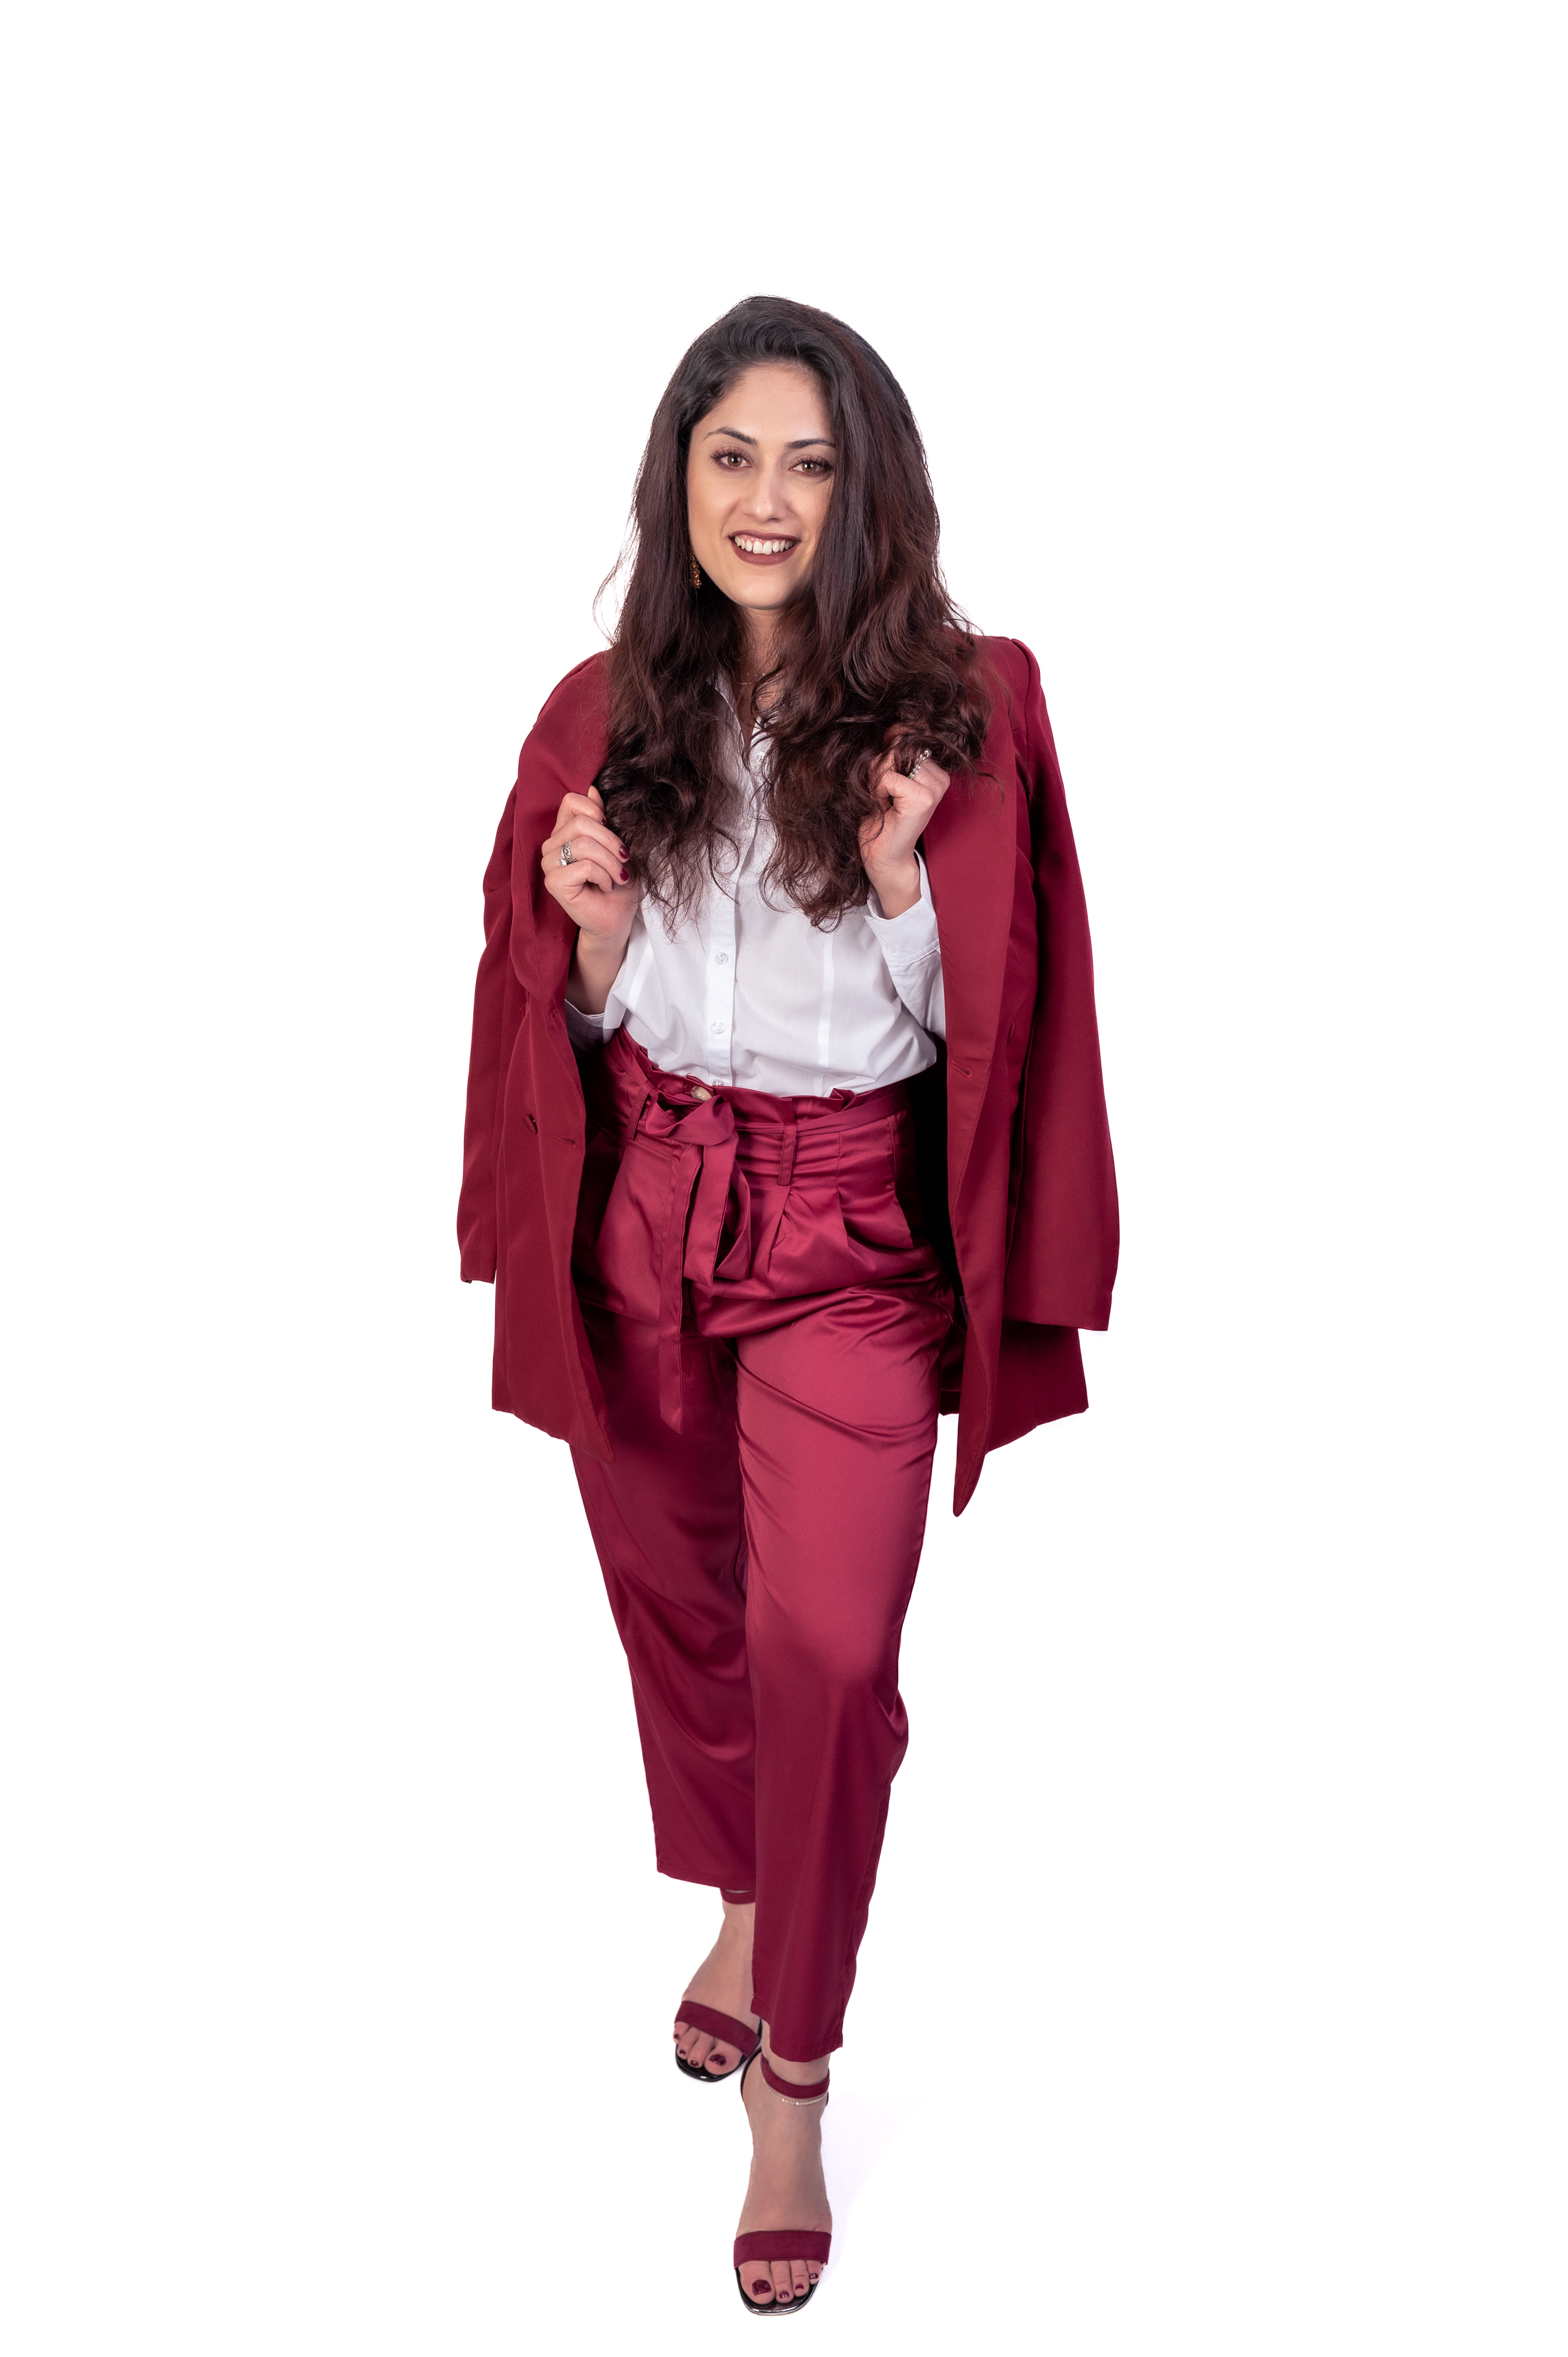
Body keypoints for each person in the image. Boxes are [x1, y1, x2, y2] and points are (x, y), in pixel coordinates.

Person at [458, 294, 1118, 2314]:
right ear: (678, 479)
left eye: (812, 465)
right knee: (683, 1607)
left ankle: (798, 2078)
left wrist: (910, 879)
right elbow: (550, 1014)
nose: (768, 500)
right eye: (734, 456)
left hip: (845, 1229)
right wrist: (583, 942)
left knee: (827, 1643)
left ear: (869, 497)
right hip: (649, 1201)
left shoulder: (964, 705)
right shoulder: (599, 713)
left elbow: (989, 1036)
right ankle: (745, 1899)